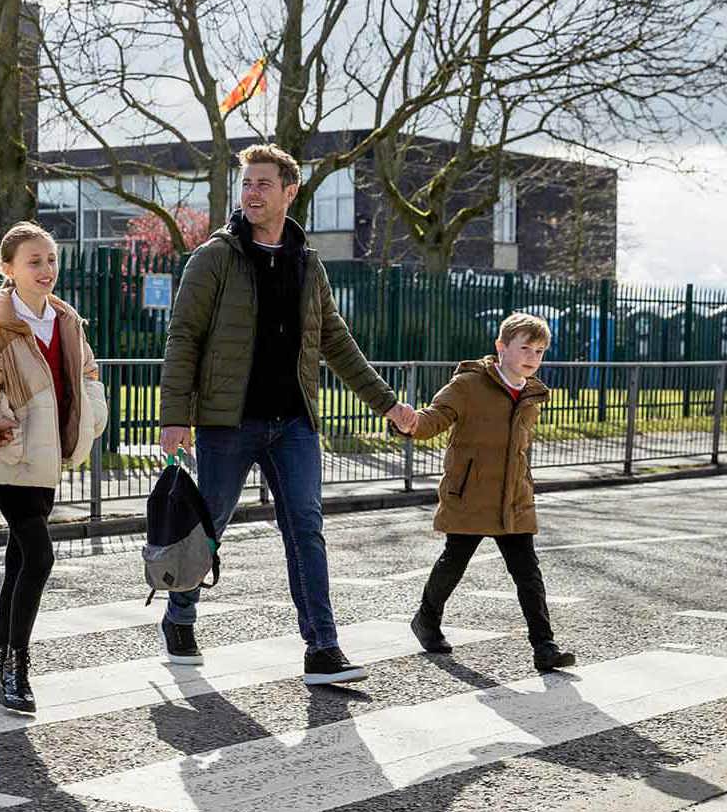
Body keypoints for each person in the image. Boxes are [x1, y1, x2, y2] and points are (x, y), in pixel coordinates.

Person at [158, 143, 418, 686]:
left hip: (294, 423)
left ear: (289, 192)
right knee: (211, 525)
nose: (251, 192)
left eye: (263, 184)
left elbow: (336, 342)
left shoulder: (306, 261)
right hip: (229, 423)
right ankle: (180, 613)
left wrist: (387, 402)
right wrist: (173, 415)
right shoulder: (216, 257)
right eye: (246, 183)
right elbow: (184, 336)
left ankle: (322, 647)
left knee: (306, 528)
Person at [0, 223, 108, 713]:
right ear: (7, 269)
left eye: (51, 259)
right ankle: (16, 669)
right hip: (9, 455)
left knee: (18, 561)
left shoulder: (65, 318)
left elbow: (88, 372)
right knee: (39, 557)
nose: (46, 270)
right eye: (34, 261)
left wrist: (92, 416)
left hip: (49, 456)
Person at [404, 312, 576, 672]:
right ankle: (426, 620)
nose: (532, 357)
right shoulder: (468, 385)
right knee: (454, 563)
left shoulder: (531, 393)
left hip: (514, 499)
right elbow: (434, 419)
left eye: (540, 351)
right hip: (470, 495)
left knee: (528, 572)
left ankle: (544, 646)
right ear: (501, 347)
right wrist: (411, 423)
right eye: (524, 347)